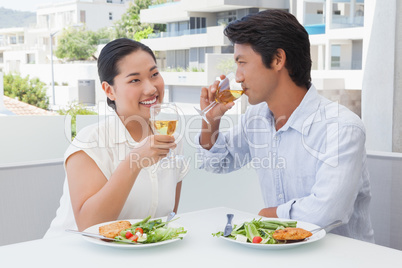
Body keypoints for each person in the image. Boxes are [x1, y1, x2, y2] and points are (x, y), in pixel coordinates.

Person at [196, 10, 374, 242]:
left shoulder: (342, 127)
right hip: (281, 254)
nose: (237, 77)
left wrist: (268, 215)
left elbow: (327, 212)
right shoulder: (257, 118)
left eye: (242, 63)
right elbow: (217, 163)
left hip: (341, 258)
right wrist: (211, 119)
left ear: (278, 59)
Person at [45, 38, 188, 237]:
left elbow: (166, 218)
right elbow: (89, 226)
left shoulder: (173, 141)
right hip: (73, 253)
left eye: (154, 74)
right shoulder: (91, 141)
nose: (151, 89)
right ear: (109, 90)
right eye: (135, 80)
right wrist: (134, 161)